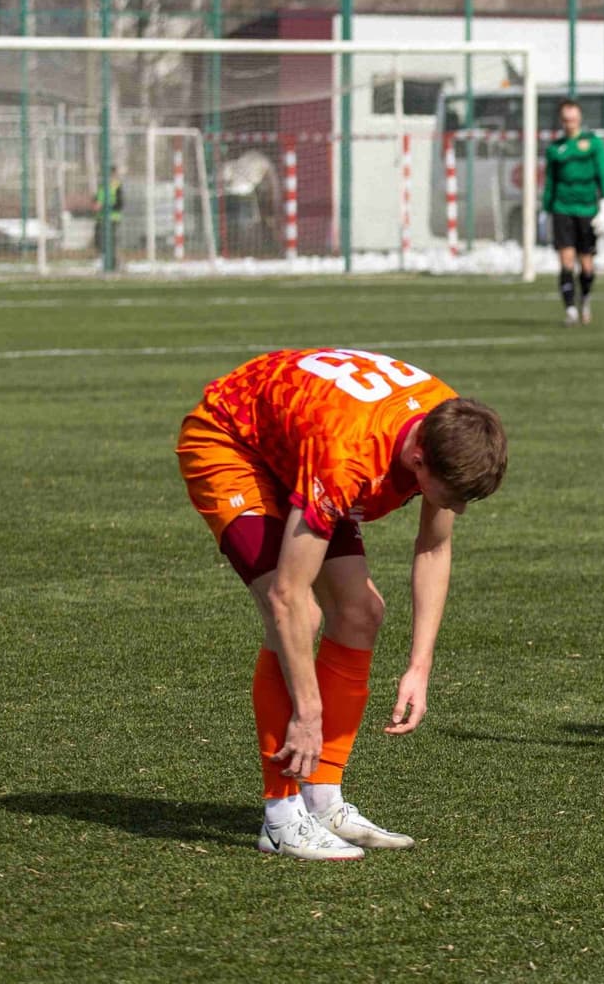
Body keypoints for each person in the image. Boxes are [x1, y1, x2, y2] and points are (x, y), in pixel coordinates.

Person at [176, 348, 508, 859]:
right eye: (453, 496)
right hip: (232, 442)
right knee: (299, 614)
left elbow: (434, 547)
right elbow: (288, 597)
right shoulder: (346, 457)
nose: (457, 509)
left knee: (361, 613)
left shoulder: (447, 423)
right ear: (419, 457)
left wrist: (419, 666)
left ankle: (323, 800)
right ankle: (281, 818)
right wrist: (307, 714)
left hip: (299, 442)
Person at [542, 99, 604, 325]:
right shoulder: (555, 149)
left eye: (573, 118)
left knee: (587, 264)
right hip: (562, 208)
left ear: (579, 119)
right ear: (561, 121)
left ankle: (586, 298)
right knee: (566, 261)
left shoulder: (593, 144)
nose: (569, 123)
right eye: (565, 119)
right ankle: (570, 309)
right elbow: (550, 182)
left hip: (587, 210)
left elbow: (602, 174)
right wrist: (545, 210)